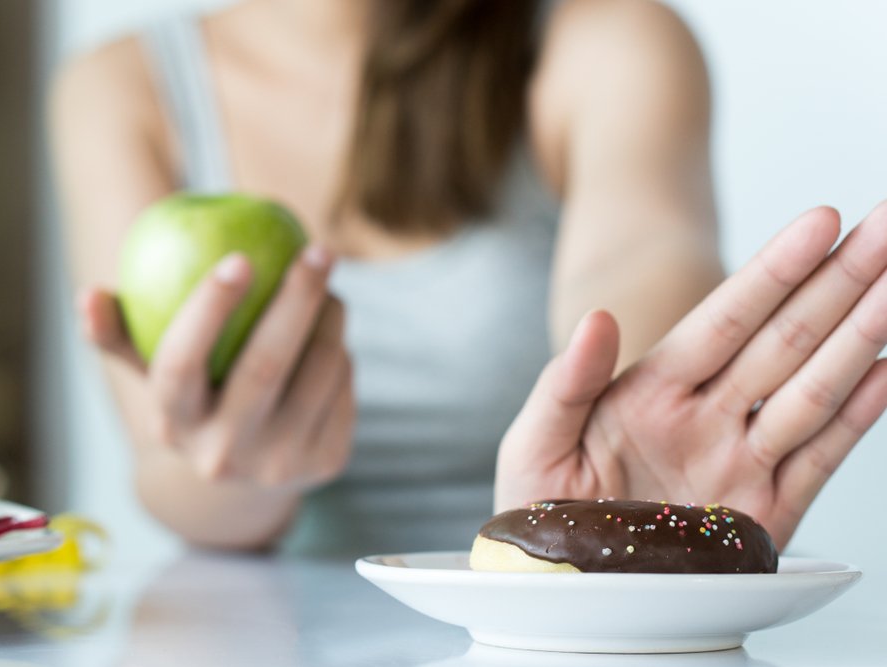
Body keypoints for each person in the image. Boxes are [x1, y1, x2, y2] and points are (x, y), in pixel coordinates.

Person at [50, 0, 887, 555]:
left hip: (562, 614)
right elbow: (169, 476)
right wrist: (239, 470)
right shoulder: (119, 88)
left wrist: (637, 415)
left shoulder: (605, 38)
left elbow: (640, 250)